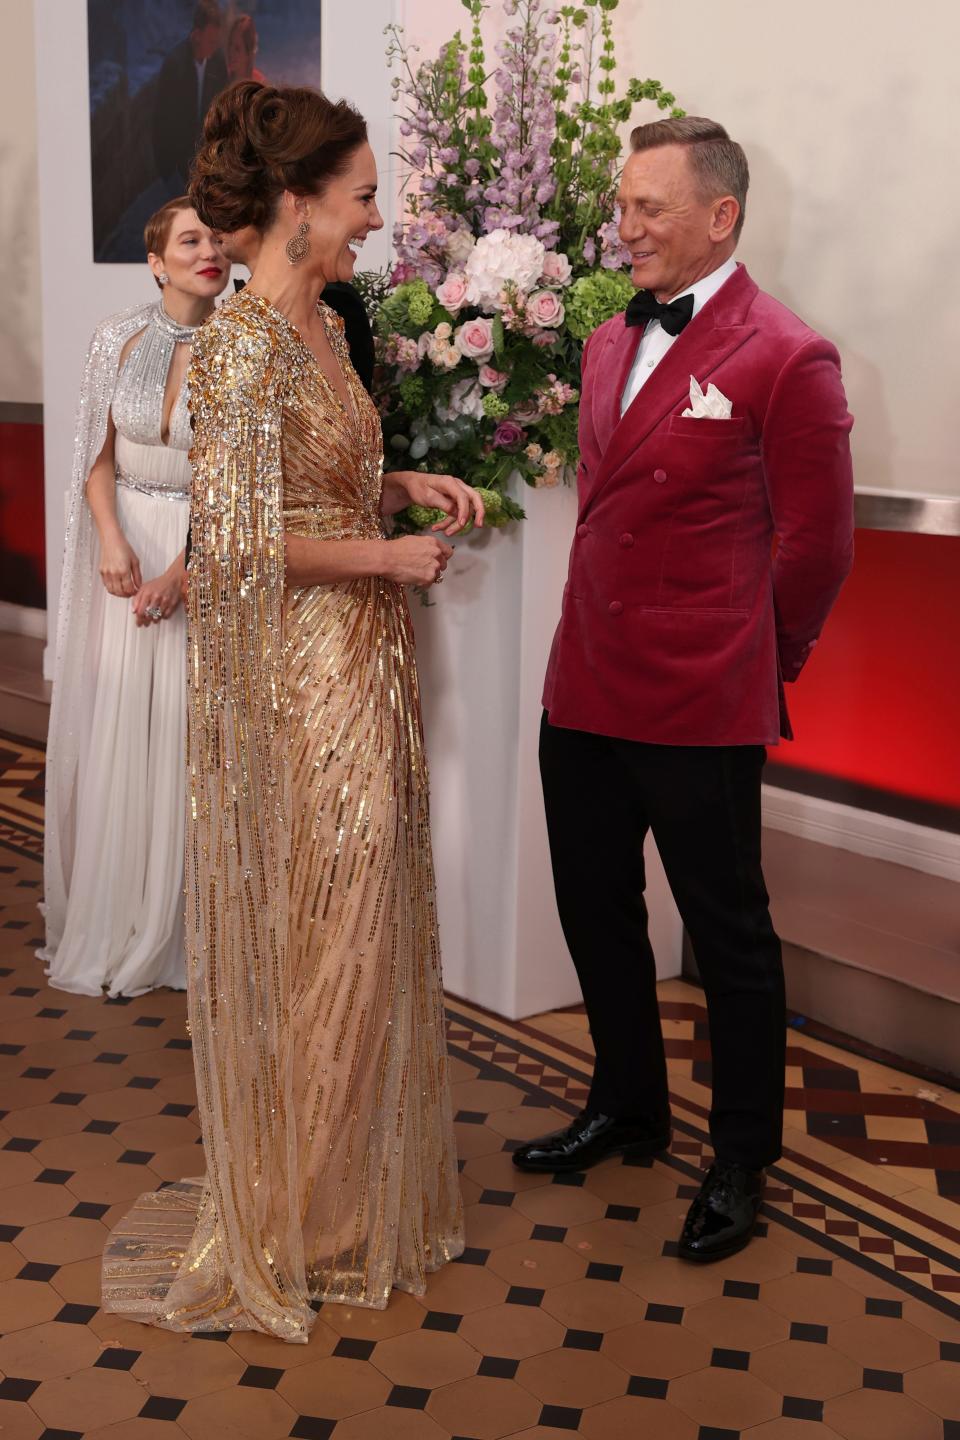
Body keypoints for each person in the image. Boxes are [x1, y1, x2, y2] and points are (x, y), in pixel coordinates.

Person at [102, 81, 483, 1339]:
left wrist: (397, 487)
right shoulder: (242, 345)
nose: (378, 218)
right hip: (304, 684)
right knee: (330, 934)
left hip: (363, 662)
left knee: (364, 937)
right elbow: (237, 547)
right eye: (363, 196)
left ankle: (339, 1193)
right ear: (294, 205)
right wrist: (383, 561)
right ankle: (297, 1218)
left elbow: (318, 488)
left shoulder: (328, 323)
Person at [515, 117, 854, 1263]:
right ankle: (628, 1103)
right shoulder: (608, 339)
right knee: (591, 904)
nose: (626, 225)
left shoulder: (787, 353)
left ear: (722, 217)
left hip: (702, 691)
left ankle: (743, 1156)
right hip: (587, 675)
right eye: (624, 204)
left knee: (728, 936)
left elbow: (818, 548)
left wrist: (760, 660)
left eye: (649, 207)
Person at [40, 200, 229, 998]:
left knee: (192, 739)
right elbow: (93, 451)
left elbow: (241, 481)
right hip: (128, 551)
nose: (210, 251)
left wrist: (185, 569)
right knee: (128, 732)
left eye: (219, 239)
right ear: (157, 260)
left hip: (208, 552)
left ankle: (185, 931)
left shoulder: (243, 348)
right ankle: (119, 917)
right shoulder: (115, 339)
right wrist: (113, 540)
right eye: (192, 240)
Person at [152, 1, 228, 187]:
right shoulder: (175, 67)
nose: (214, 48)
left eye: (216, 42)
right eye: (211, 42)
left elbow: (222, 111)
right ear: (196, 36)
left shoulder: (217, 62)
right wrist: (167, 172)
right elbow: (162, 122)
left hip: (208, 166)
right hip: (178, 168)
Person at [226, 13, 267, 84]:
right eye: (230, 45)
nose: (230, 52)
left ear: (248, 54)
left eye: (237, 49)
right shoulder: (221, 79)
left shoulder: (260, 83)